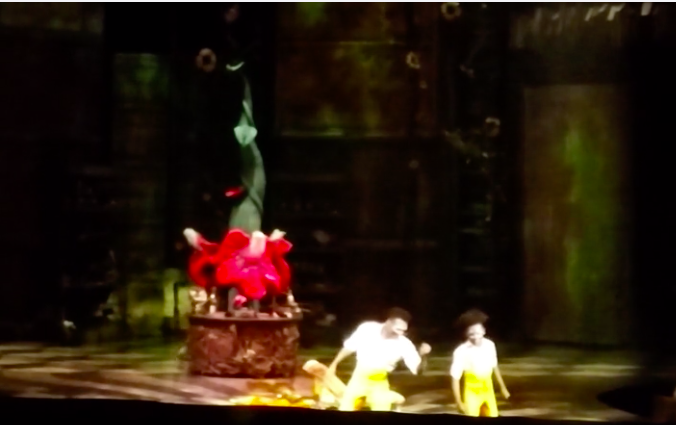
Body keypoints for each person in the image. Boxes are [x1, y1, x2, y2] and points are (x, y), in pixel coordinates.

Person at [328, 307, 431, 411]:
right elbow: (349, 347)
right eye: (398, 329)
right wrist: (334, 364)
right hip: (359, 378)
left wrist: (423, 355)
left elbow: (418, 370)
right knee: (346, 407)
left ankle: (393, 399)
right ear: (389, 323)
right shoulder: (367, 329)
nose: (401, 333)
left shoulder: (404, 344)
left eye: (404, 331)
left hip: (380, 382)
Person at [450, 309, 510, 417]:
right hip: (472, 392)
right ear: (466, 334)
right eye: (471, 333)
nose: (475, 336)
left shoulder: (490, 345)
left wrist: (503, 387)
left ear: (483, 331)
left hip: (488, 390)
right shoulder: (460, 351)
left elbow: (494, 366)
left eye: (478, 332)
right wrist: (458, 402)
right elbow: (455, 378)